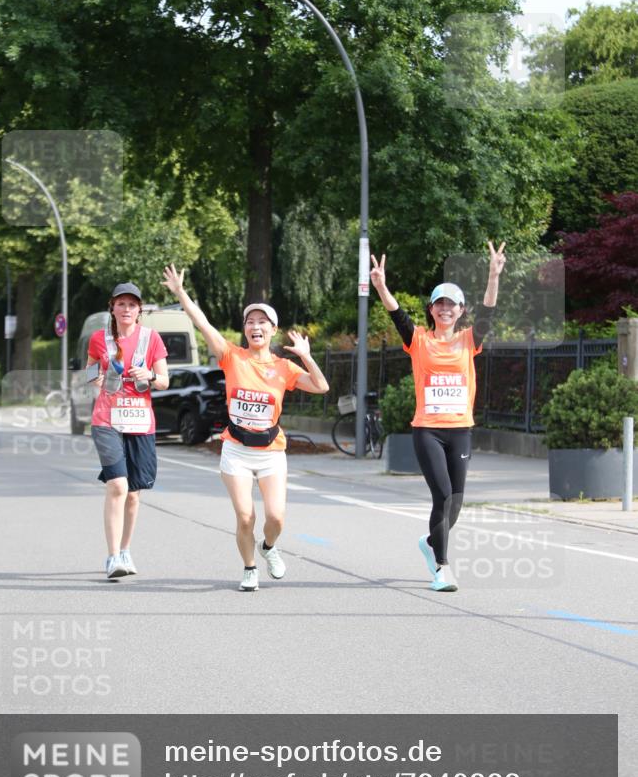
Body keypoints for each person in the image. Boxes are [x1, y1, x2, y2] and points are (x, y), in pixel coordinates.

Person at [162, 264, 329, 592]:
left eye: (262, 322)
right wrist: (181, 293)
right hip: (236, 450)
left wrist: (307, 357)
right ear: (245, 330)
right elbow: (203, 324)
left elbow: (321, 386)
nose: (255, 327)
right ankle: (250, 567)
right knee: (245, 517)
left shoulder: (284, 367)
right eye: (250, 322)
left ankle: (268, 548)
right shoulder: (232, 357)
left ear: (273, 330)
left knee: (276, 518)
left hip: (271, 452)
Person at [370, 242, 506, 592]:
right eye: (440, 304)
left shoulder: (468, 340)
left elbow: (490, 311)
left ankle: (431, 542)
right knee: (443, 495)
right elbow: (397, 314)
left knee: (457, 501)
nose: (445, 309)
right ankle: (442, 567)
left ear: (461, 311)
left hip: (460, 430)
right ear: (431, 309)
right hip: (427, 430)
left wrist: (493, 274)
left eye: (452, 304)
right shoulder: (417, 340)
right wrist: (382, 286)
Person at [87, 282, 169, 580]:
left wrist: (148, 374)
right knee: (117, 486)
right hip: (106, 421)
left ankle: (125, 550)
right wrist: (99, 381)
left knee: (134, 494)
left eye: (132, 304)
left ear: (139, 310)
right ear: (112, 307)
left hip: (140, 421)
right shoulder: (99, 339)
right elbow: (89, 373)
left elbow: (164, 381)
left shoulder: (152, 339)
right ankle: (112, 558)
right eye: (121, 303)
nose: (126, 309)